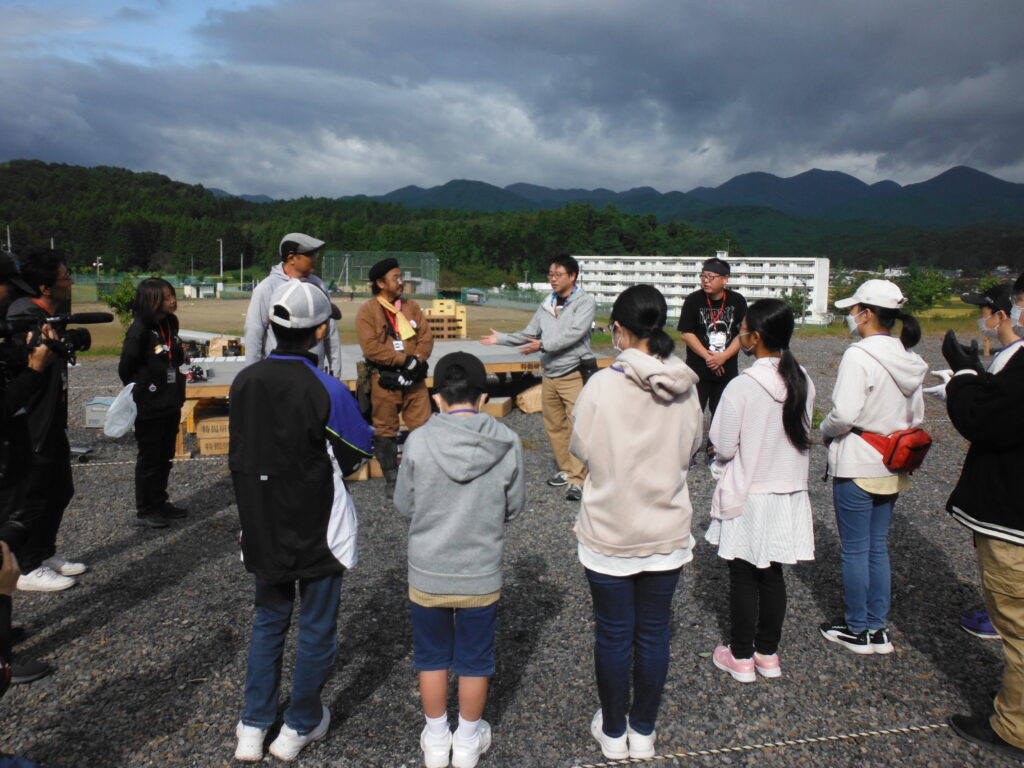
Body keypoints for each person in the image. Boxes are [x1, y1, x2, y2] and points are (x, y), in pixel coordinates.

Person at [229, 279, 373, 763]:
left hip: (261, 519)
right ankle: (299, 725)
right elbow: (357, 451)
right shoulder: (326, 386)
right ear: (319, 331)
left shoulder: (244, 381)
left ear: (272, 325)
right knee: (316, 627)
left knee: (269, 620)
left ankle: (253, 725)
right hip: (317, 523)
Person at [570, 285, 702, 760]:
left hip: (610, 528)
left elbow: (580, 448)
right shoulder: (686, 385)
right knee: (653, 632)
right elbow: (692, 449)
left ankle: (612, 731)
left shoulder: (601, 385)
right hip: (666, 527)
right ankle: (643, 730)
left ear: (619, 330)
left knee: (612, 634)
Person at [393, 352, 525, 768]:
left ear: (437, 398)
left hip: (428, 569)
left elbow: (404, 505)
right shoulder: (507, 441)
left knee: (431, 657)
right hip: (480, 571)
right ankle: (467, 741)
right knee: (475, 660)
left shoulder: (418, 440)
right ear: (484, 397)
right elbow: (514, 506)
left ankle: (436, 739)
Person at [705, 299, 816, 682]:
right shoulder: (802, 379)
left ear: (754, 337)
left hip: (749, 492)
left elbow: (723, 444)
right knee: (772, 574)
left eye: (742, 330)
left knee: (743, 575)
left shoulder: (743, 385)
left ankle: (740, 656)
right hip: (789, 493)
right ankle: (768, 654)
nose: (740, 336)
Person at [818, 279, 927, 654]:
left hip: (859, 461)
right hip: (893, 462)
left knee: (854, 550)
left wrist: (824, 430)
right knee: (877, 547)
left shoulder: (859, 355)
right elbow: (916, 415)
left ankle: (856, 628)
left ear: (866, 313)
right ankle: (877, 627)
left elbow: (844, 414)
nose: (851, 316)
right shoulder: (908, 356)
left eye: (853, 309)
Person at [941, 315, 1024, 761]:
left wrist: (965, 376)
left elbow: (983, 418)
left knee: (1018, 627)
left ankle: (1014, 728)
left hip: (1013, 520)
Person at [481, 254, 595, 501]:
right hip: (549, 373)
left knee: (578, 426)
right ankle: (567, 469)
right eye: (550, 274)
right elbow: (530, 333)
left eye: (558, 275)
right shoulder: (547, 303)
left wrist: (542, 345)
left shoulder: (584, 302)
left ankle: (578, 479)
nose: (552, 279)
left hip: (574, 372)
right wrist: (502, 338)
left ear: (572, 276)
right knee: (554, 425)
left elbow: (574, 334)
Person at [5, 249, 86, 592]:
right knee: (34, 496)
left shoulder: (52, 315)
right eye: (66, 277)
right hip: (32, 422)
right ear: (45, 286)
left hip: (53, 417)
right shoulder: (23, 315)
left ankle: (43, 552)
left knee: (60, 489)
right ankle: (25, 567)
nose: (71, 282)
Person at [952, 283, 1023, 639]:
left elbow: (982, 419)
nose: (981, 319)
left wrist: (964, 378)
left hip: (1010, 509)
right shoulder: (1007, 356)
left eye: (984, 312)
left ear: (1002, 315)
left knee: (1014, 615)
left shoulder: (1016, 362)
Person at [355, 258, 434, 496]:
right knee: (386, 429)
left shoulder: (411, 307)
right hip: (385, 381)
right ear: (380, 283)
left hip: (414, 379)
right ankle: (392, 478)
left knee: (423, 426)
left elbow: (426, 337)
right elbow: (371, 348)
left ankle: (422, 474)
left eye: (401, 277)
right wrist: (402, 360)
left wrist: (417, 358)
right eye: (396, 278)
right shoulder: (368, 311)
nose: (401, 282)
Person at [117, 278, 186, 528]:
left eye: (172, 295)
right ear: (151, 300)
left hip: (170, 399)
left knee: (165, 455)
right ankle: (145, 509)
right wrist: (142, 388)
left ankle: (159, 501)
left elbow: (173, 356)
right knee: (150, 457)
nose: (172, 300)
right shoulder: (139, 329)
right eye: (166, 297)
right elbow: (125, 367)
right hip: (149, 403)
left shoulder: (170, 322)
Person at [243, 232, 342, 375]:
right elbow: (254, 333)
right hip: (278, 375)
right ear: (291, 258)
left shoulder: (319, 285)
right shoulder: (266, 288)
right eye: (311, 255)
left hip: (315, 375)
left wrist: (335, 373)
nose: (315, 259)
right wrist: (252, 375)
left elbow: (330, 331)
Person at [677, 257, 747, 448]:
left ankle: (714, 449)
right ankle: (689, 451)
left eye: (711, 277)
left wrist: (723, 356)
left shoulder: (737, 301)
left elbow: (742, 334)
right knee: (693, 413)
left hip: (726, 369)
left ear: (725, 279)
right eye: (703, 276)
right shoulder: (693, 300)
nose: (705, 281)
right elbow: (687, 333)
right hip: (697, 370)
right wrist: (710, 357)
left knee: (722, 413)